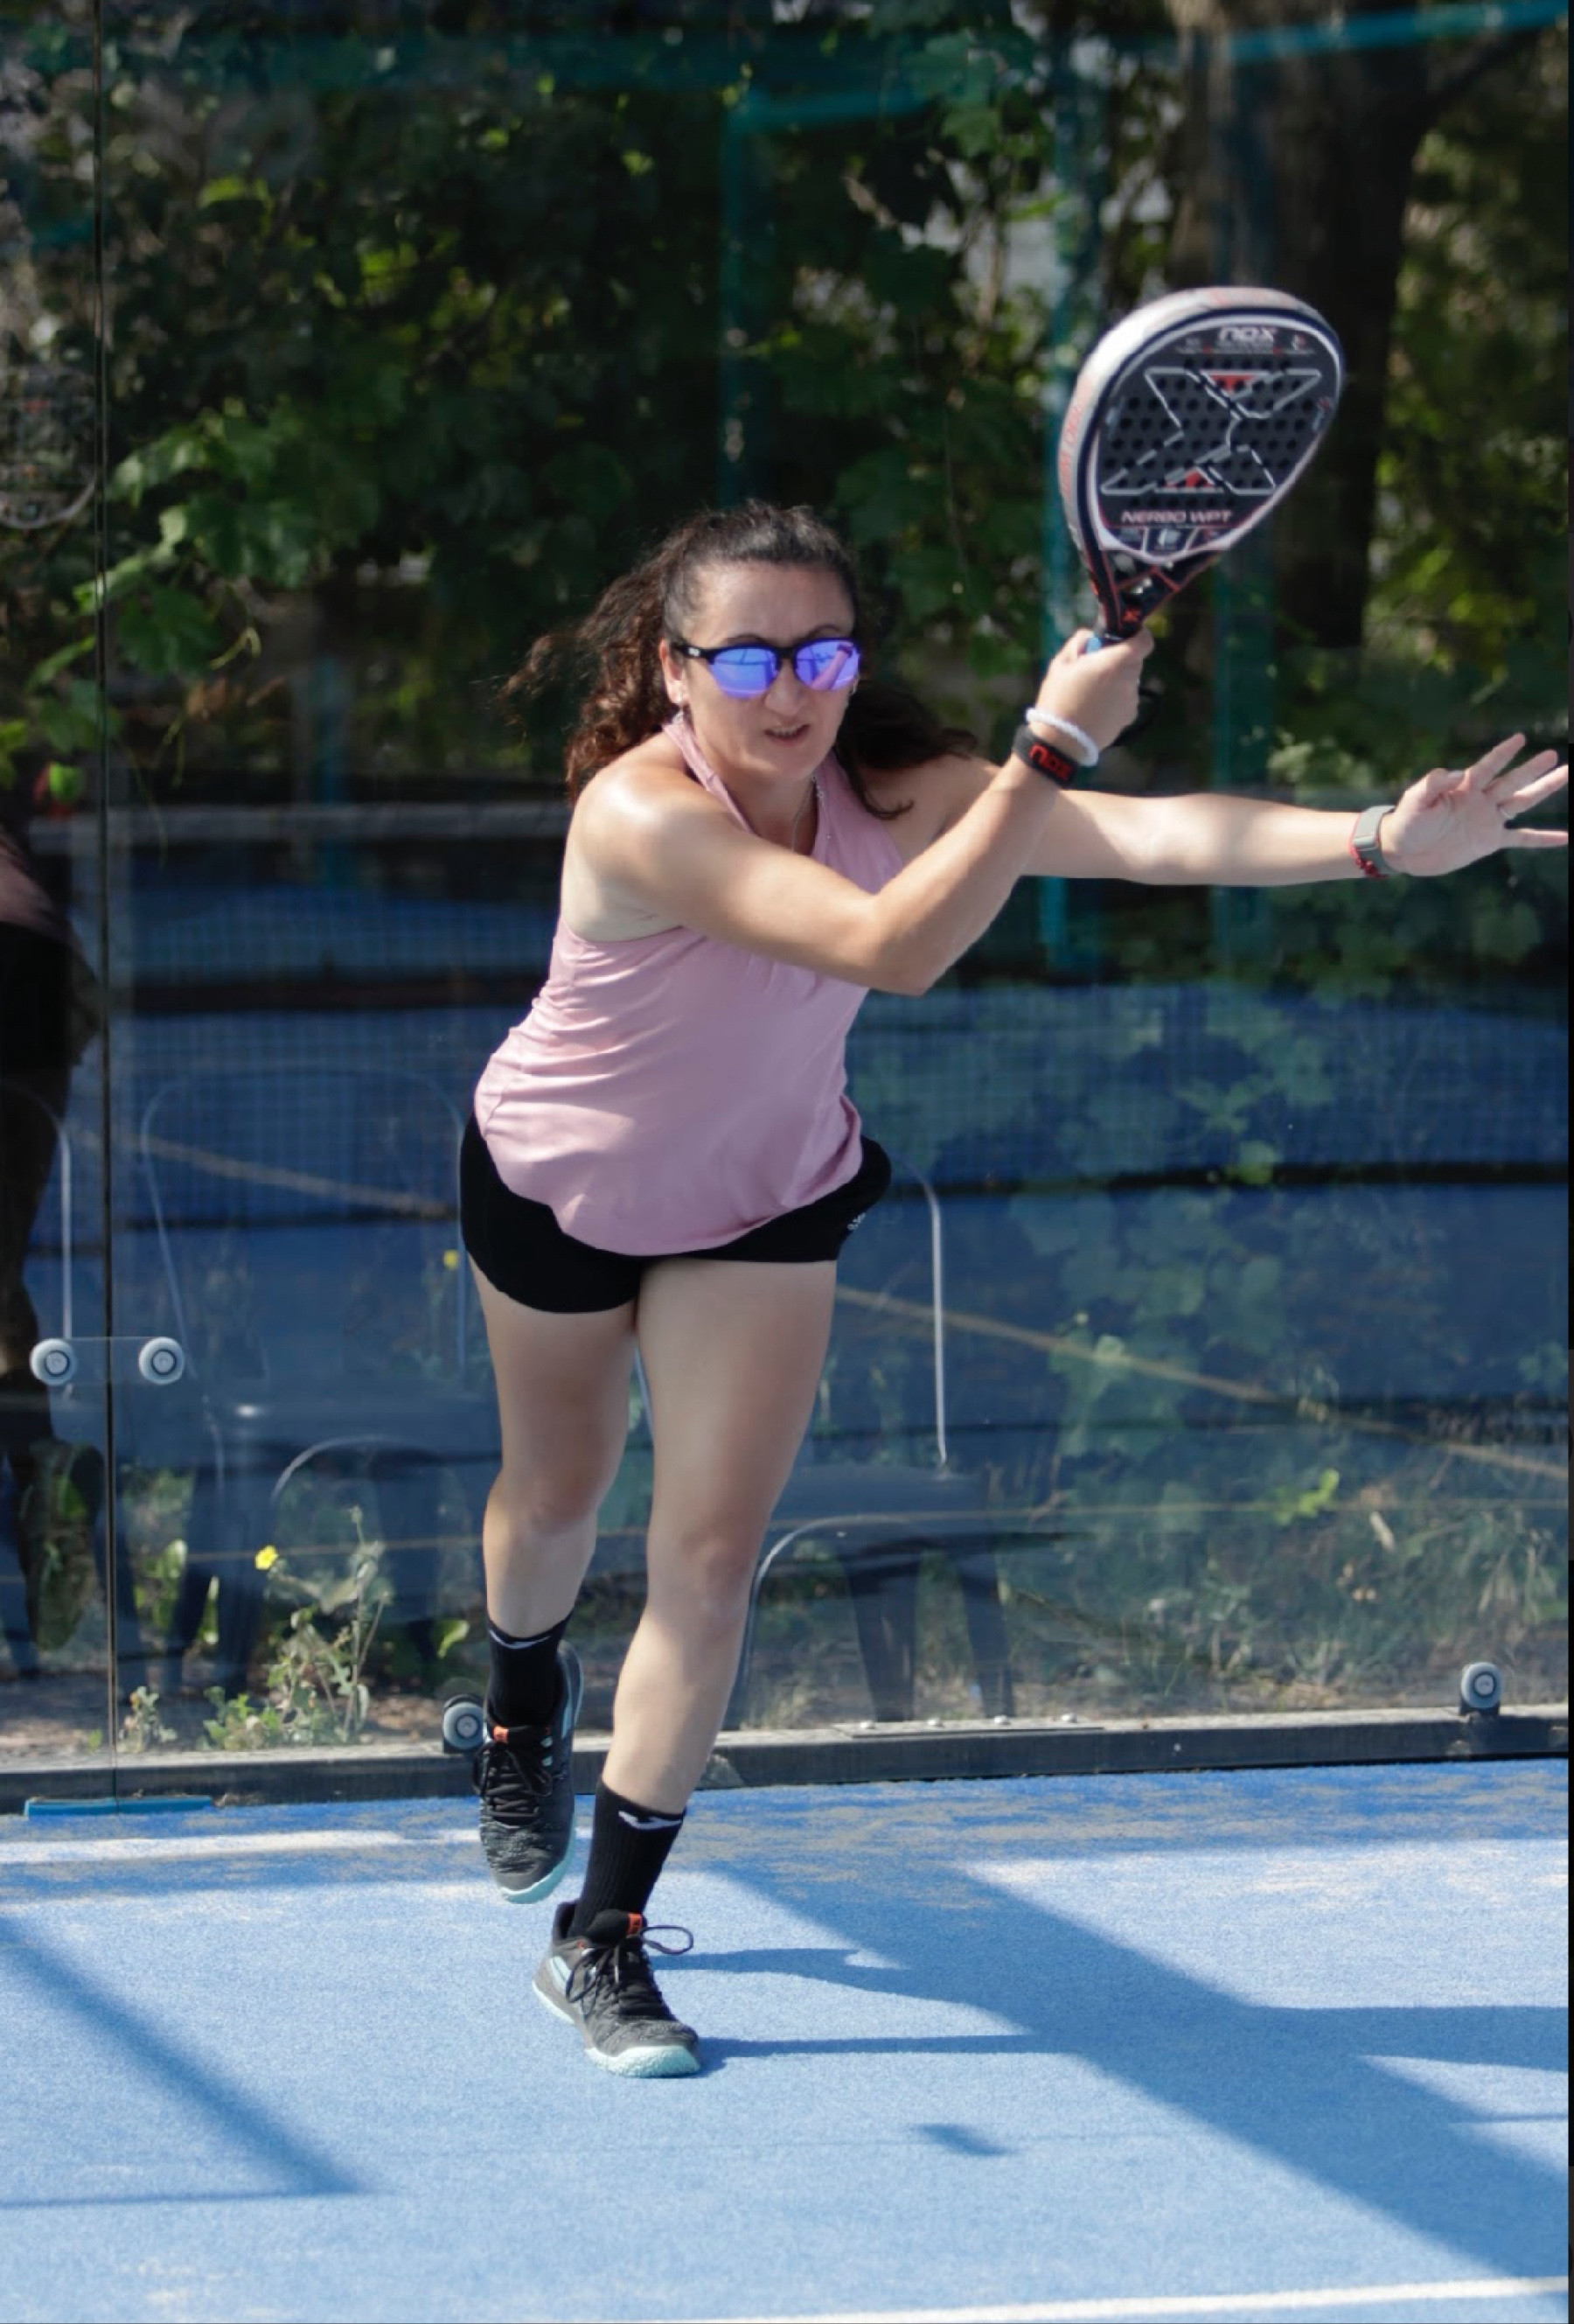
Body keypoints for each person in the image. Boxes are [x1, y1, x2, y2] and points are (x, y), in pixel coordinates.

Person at [458, 499, 1566, 2079]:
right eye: (749, 658)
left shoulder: (895, 786)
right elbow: (886, 947)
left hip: (764, 1199)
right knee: (553, 1500)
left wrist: (1381, 841)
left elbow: (1148, 837)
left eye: (824, 653)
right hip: (560, 1181)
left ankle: (605, 1932)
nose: (792, 689)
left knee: (706, 1558)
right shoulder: (642, 813)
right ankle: (520, 1701)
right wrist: (1049, 744)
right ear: (675, 666)